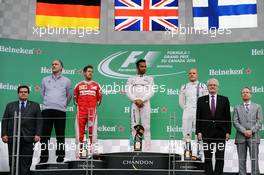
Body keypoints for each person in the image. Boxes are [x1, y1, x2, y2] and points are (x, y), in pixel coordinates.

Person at [1, 85, 42, 175]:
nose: (23, 93)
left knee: (26, 161)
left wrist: (38, 134)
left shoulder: (35, 106)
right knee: (13, 160)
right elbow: (5, 121)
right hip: (13, 137)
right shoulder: (10, 105)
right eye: (21, 92)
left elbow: (39, 121)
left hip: (28, 137)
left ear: (28, 94)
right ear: (18, 93)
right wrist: (4, 134)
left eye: (25, 92)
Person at [196, 78, 231, 175]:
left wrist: (228, 132)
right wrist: (198, 131)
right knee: (207, 157)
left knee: (220, 157)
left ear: (217, 87)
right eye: (210, 85)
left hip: (221, 133)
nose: (212, 86)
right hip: (206, 133)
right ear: (207, 87)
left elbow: (228, 117)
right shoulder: (201, 100)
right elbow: (198, 117)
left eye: (214, 85)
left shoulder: (224, 100)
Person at [40, 59, 72, 163]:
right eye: (52, 64)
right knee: (44, 136)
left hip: (60, 111)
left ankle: (61, 156)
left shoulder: (67, 81)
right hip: (46, 110)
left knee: (60, 135)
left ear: (61, 67)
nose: (53, 65)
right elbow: (42, 93)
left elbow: (69, 95)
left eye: (56, 64)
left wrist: (62, 104)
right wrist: (49, 103)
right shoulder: (45, 79)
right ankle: (43, 157)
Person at [126, 59, 154, 151]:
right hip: (135, 104)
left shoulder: (150, 79)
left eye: (145, 66)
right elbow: (128, 92)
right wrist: (135, 100)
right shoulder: (131, 79)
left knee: (147, 127)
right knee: (134, 126)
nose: (144, 68)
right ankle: (136, 148)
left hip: (145, 104)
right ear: (137, 67)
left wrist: (142, 100)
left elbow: (151, 91)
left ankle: (148, 149)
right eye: (142, 66)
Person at [74, 65, 102, 156]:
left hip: (92, 113)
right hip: (81, 113)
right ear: (84, 72)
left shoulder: (97, 85)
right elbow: (75, 100)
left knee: (93, 134)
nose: (90, 73)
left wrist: (92, 107)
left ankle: (94, 153)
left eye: (92, 71)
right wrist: (82, 107)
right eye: (89, 71)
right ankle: (78, 154)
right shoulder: (78, 85)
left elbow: (99, 100)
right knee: (79, 135)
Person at [233, 87, 262, 175]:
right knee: (241, 159)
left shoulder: (257, 106)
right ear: (241, 95)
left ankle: (255, 173)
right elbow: (235, 122)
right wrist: (244, 131)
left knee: (254, 158)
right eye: (243, 92)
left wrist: (251, 131)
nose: (245, 94)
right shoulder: (237, 107)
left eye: (247, 92)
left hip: (254, 137)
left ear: (251, 94)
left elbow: (259, 122)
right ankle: (242, 173)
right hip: (240, 137)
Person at [179, 68, 207, 139]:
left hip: (199, 112)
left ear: (197, 75)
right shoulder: (184, 87)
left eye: (194, 73)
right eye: (190, 73)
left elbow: (206, 101)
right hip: (187, 112)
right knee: (186, 133)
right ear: (188, 75)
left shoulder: (202, 86)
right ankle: (187, 150)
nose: (192, 75)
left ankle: (199, 150)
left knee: (199, 134)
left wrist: (201, 111)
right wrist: (187, 108)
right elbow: (181, 102)